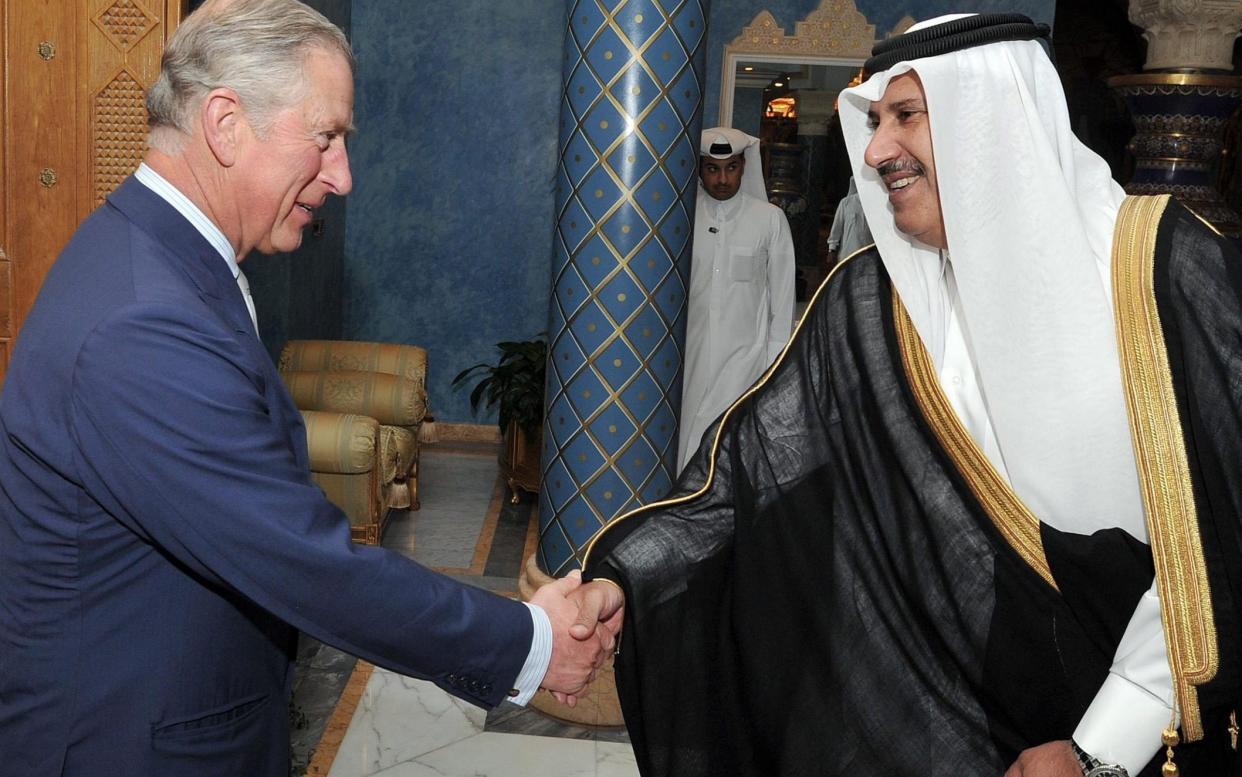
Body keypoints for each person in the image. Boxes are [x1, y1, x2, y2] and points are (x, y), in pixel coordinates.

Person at [570, 13, 1242, 777]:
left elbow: (1222, 540)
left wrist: (1100, 748)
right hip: (946, 727)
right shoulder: (870, 303)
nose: (878, 147)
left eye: (906, 115)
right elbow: (742, 478)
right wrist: (622, 578)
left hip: (1146, 739)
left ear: (993, 119)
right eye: (876, 119)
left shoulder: (1166, 272)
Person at [0, 1, 614, 774]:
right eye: (326, 137)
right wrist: (532, 642)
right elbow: (305, 563)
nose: (344, 175)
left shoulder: (163, 262)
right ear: (226, 124)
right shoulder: (143, 320)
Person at [678, 127, 796, 471]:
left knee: (729, 443)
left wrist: (774, 363)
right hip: (692, 355)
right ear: (701, 170)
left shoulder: (770, 220)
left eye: (731, 167)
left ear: (744, 167)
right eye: (713, 169)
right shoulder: (685, 218)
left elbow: (784, 296)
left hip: (746, 359)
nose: (723, 178)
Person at [825, 175, 873, 265]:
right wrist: (831, 250)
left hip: (868, 254)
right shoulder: (846, 203)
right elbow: (837, 228)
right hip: (848, 252)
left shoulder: (873, 205)